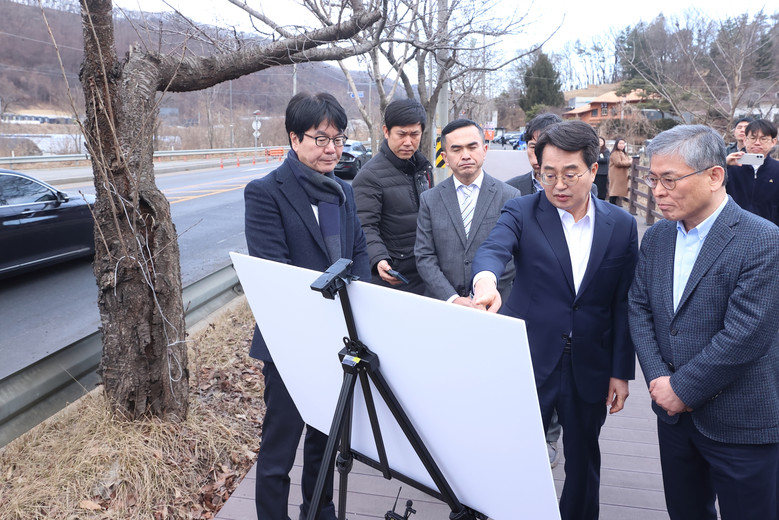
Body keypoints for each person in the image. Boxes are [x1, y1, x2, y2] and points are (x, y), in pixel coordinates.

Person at [470, 120, 638, 520]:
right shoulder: (522, 210)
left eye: (569, 174)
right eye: (548, 174)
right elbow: (493, 249)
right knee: (512, 453)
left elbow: (623, 303)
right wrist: (485, 282)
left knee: (583, 459)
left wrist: (621, 371)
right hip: (529, 355)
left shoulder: (621, 225)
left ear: (593, 169)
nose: (558, 184)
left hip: (590, 362)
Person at [629, 124, 779, 520]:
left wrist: (681, 388)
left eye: (669, 179)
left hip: (741, 420)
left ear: (714, 176)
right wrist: (659, 379)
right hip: (673, 417)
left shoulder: (762, 240)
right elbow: (639, 308)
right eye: (653, 179)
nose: (658, 191)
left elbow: (746, 335)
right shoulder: (658, 238)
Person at [244, 92, 370, 520]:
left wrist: (362, 309)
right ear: (295, 138)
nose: (331, 148)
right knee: (279, 447)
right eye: (321, 138)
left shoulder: (343, 192)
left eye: (338, 139)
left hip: (339, 340)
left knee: (325, 442)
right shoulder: (266, 193)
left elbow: (359, 253)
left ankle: (319, 512)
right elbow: (275, 274)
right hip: (289, 344)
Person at [505, 112, 566, 466]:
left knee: (554, 374)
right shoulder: (512, 189)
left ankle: (549, 437)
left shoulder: (581, 190)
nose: (539, 154)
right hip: (520, 298)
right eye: (533, 146)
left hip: (560, 304)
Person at [415, 118, 519, 304]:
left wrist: (481, 293)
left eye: (472, 147)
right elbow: (424, 257)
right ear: (445, 157)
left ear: (484, 150)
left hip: (494, 304)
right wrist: (452, 298)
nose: (465, 155)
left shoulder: (509, 196)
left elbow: (513, 256)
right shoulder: (430, 199)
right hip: (443, 305)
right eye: (456, 149)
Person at [353, 98, 433, 295]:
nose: (408, 142)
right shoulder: (369, 176)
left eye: (414, 134)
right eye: (401, 134)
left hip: (426, 272)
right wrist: (378, 258)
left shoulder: (423, 169)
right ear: (386, 131)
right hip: (394, 277)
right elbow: (364, 226)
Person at [725, 118, 779, 226]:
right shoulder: (730, 167)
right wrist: (723, 164)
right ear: (745, 140)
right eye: (753, 138)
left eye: (763, 139)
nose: (757, 143)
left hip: (770, 229)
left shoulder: (777, 169)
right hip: (733, 228)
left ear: (773, 142)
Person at [507, 113, 563, 195]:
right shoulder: (510, 190)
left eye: (544, 148)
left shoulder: (577, 190)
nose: (537, 157)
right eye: (533, 147)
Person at [608, 137, 632, 206]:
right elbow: (618, 163)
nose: (622, 145)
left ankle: (614, 205)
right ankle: (612, 206)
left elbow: (625, 161)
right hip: (616, 175)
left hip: (621, 175)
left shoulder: (622, 153)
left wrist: (629, 161)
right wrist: (629, 162)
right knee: (614, 192)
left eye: (623, 143)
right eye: (620, 143)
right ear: (616, 144)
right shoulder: (615, 153)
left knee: (617, 192)